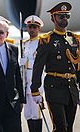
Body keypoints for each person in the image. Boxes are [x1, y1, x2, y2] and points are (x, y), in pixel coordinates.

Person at [30, 2, 80, 132]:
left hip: (71, 89)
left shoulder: (74, 39)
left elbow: (77, 65)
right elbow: (38, 67)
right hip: (54, 89)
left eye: (66, 16)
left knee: (69, 128)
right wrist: (35, 89)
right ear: (53, 18)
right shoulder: (47, 40)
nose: (64, 19)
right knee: (60, 128)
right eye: (61, 17)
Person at [20, 15, 44, 132]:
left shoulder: (42, 43)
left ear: (39, 29)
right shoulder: (25, 44)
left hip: (36, 81)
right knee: (28, 113)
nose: (32, 29)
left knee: (36, 113)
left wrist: (28, 62)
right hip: (26, 81)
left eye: (34, 27)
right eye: (30, 27)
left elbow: (41, 65)